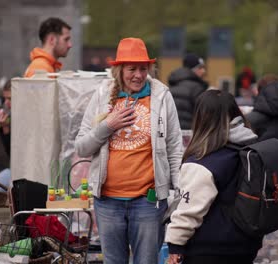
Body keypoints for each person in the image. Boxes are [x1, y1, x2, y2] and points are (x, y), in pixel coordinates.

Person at [75, 37, 182, 264]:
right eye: (132, 69)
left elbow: (173, 147)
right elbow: (82, 147)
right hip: (108, 202)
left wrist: (178, 191)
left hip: (148, 202)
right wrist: (107, 126)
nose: (138, 75)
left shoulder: (162, 96)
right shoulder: (102, 96)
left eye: (143, 69)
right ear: (119, 70)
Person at [165, 90, 261, 264]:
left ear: (202, 117)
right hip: (248, 244)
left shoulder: (204, 162)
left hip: (209, 248)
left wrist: (175, 246)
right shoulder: (252, 148)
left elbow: (189, 211)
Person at [168, 53, 208, 129]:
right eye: (200, 68)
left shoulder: (172, 85)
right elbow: (204, 114)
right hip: (190, 134)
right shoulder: (197, 88)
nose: (203, 71)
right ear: (193, 70)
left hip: (174, 133)